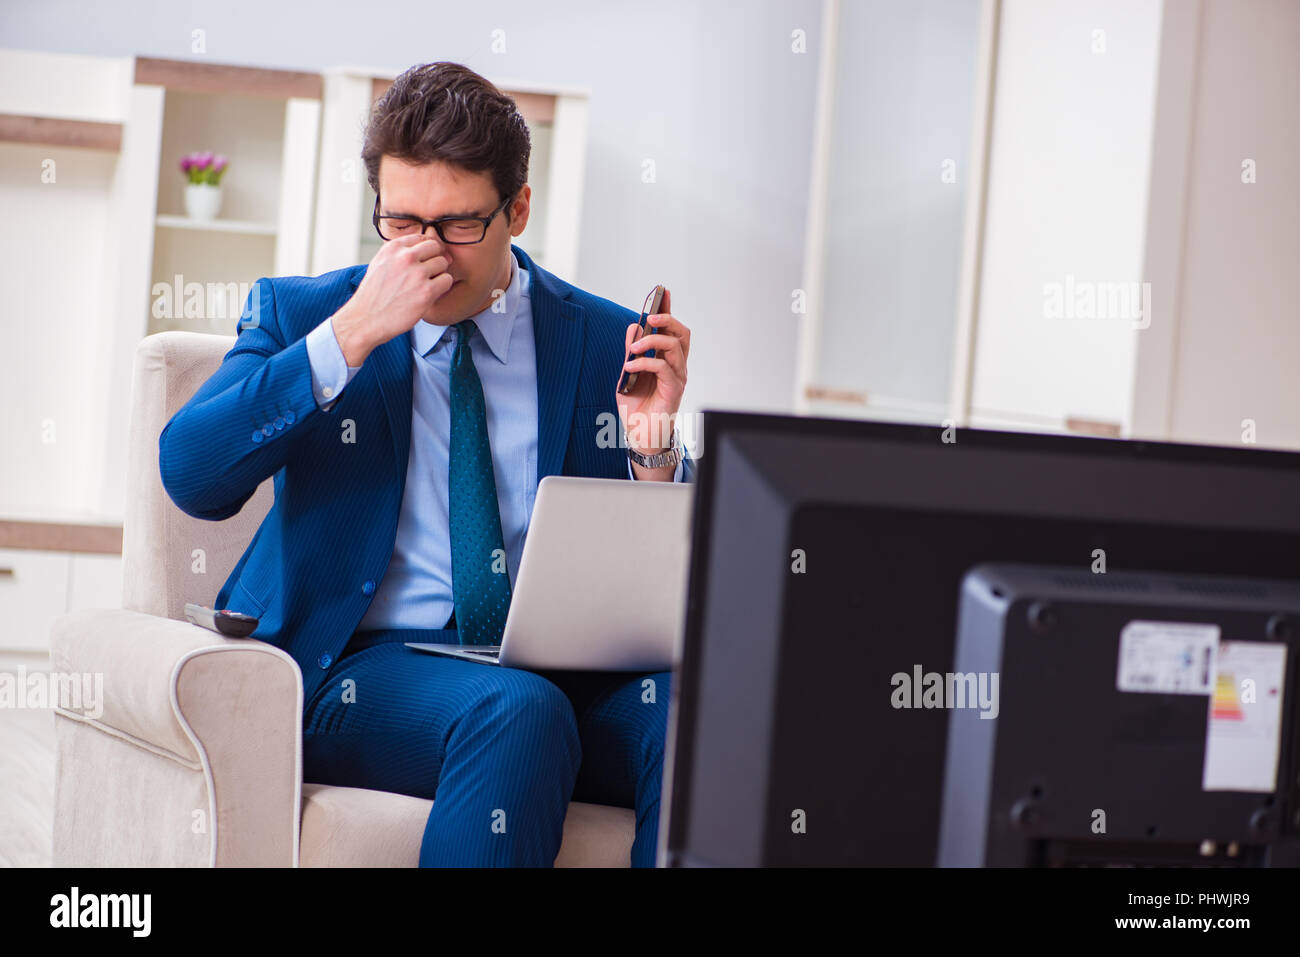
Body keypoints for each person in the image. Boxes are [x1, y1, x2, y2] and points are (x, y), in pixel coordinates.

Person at [158, 61, 694, 867]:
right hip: (361, 672)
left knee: (698, 713)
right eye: (402, 223)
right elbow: (193, 475)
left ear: (517, 209)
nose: (427, 255)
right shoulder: (307, 314)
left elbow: (661, 580)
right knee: (520, 711)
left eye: (458, 226)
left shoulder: (602, 340)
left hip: (560, 676)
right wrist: (350, 337)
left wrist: (653, 447)